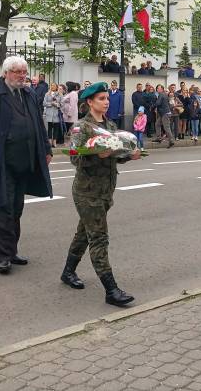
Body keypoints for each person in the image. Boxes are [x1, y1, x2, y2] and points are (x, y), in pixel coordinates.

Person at [61, 82, 140, 306]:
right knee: (99, 237)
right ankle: (111, 290)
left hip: (105, 190)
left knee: (84, 234)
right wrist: (98, 155)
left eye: (107, 98)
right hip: (87, 192)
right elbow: (75, 158)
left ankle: (68, 272)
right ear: (89, 102)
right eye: (101, 99)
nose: (106, 102)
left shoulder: (111, 125)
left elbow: (117, 154)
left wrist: (129, 155)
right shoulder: (81, 127)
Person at [0, 56, 53, 274]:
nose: (22, 75)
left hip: (24, 161)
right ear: (6, 73)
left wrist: (46, 149)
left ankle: (12, 250)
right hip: (1, 162)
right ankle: (3, 256)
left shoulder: (28, 93)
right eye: (17, 71)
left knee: (16, 208)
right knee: (2, 208)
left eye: (24, 72)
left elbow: (38, 123)